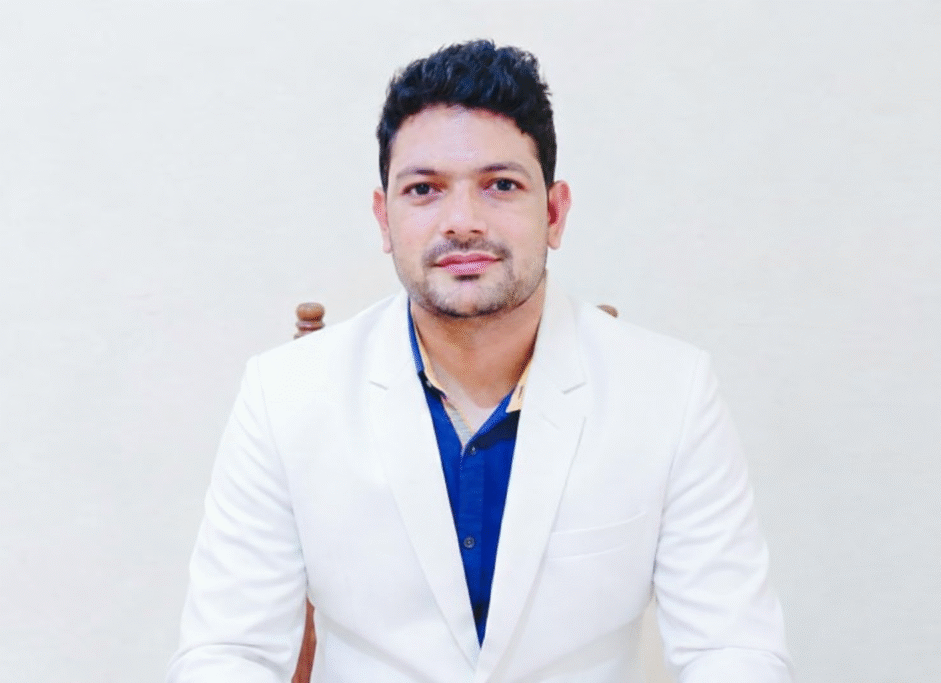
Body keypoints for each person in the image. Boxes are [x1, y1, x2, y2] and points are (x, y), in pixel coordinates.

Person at [167, 40, 792, 683]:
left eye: (500, 185)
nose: (462, 222)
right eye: (424, 189)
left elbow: (732, 648)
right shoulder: (283, 394)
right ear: (384, 219)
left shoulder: (671, 392)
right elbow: (229, 652)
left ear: (554, 212)